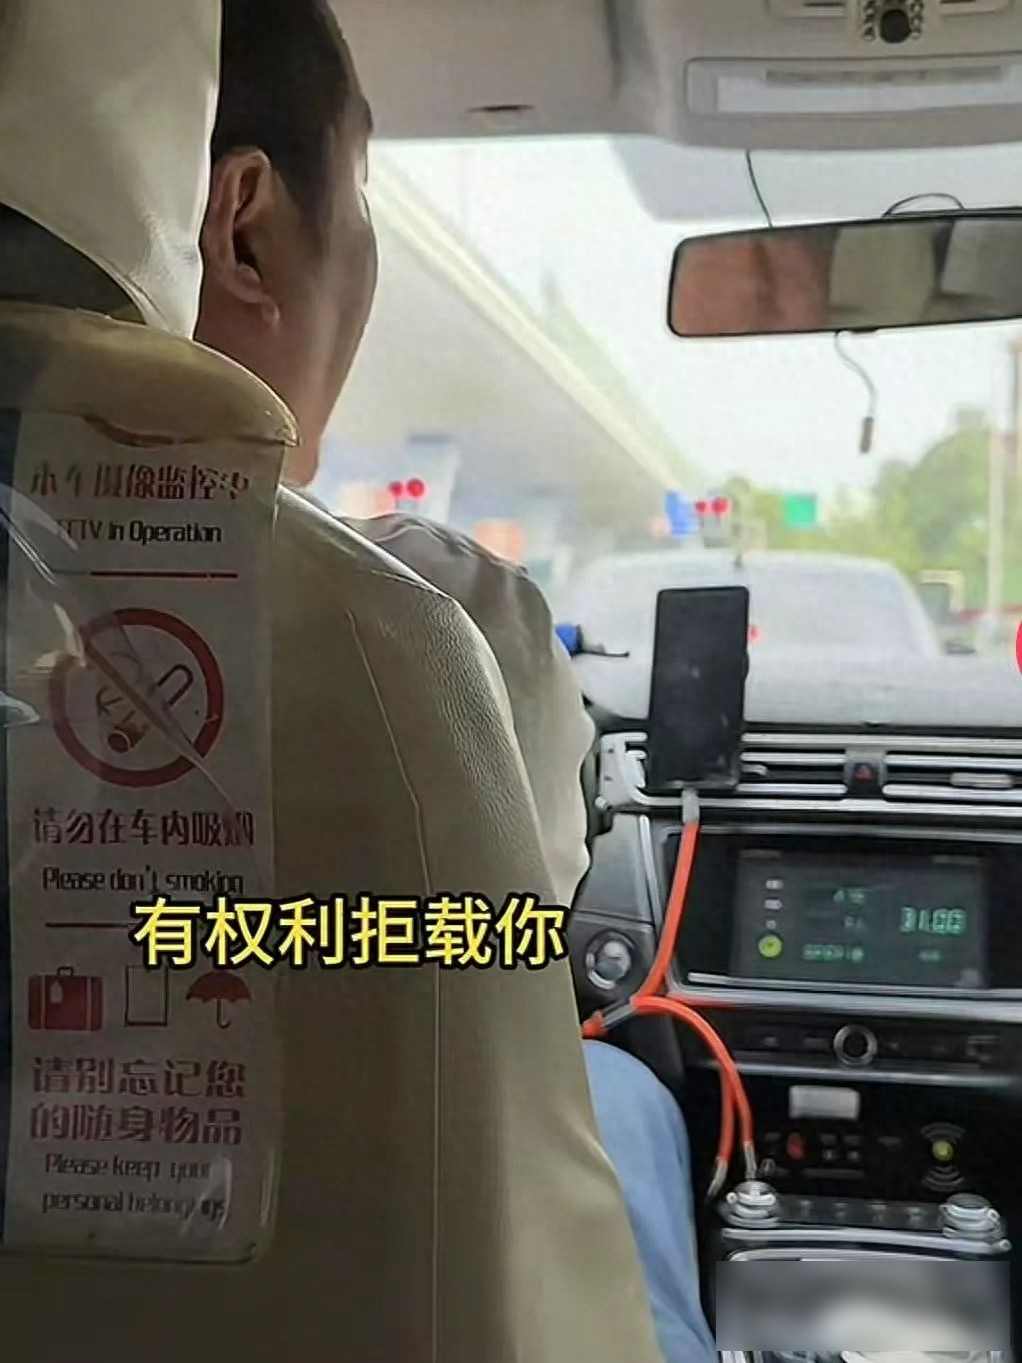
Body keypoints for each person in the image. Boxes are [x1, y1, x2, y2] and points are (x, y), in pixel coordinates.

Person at [195, 4, 714, 1359]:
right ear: (244, 227)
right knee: (624, 1099)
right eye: (362, 192)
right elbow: (507, 953)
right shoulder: (435, 625)